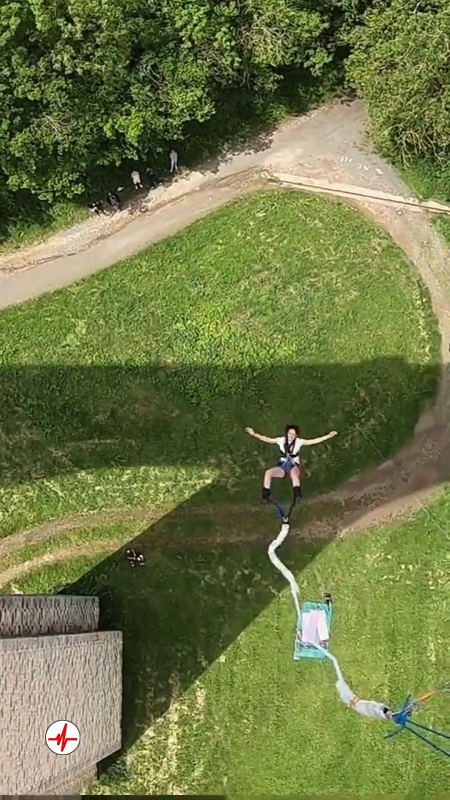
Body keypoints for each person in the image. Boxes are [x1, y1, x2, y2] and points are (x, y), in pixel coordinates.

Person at [245, 424, 337, 506]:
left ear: (296, 435)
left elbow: (313, 441)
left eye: (293, 434)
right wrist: (254, 434)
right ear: (287, 433)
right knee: (268, 473)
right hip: (283, 466)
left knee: (294, 474)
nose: (291, 436)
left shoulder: (299, 442)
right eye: (290, 434)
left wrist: (328, 436)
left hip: (293, 465)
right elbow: (267, 439)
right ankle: (265, 496)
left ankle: (297, 496)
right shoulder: (280, 440)